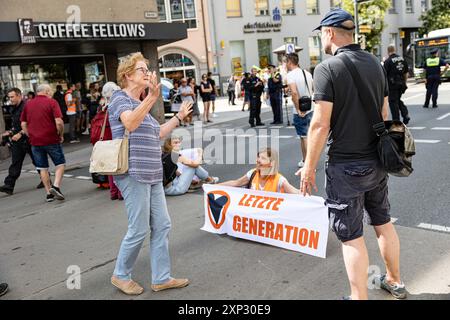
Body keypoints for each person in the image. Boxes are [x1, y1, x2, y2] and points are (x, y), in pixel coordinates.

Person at [300, 8, 407, 300]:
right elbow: (384, 113)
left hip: (346, 166)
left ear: (330, 33)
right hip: (377, 161)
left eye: (321, 33)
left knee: (351, 236)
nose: (322, 38)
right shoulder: (375, 63)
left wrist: (308, 167)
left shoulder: (326, 69)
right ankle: (395, 281)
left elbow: (320, 124)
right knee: (383, 222)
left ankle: (359, 297)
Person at [108, 52, 192, 296]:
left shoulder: (142, 101)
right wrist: (152, 98)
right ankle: (120, 275)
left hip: (153, 173)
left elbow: (157, 133)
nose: (148, 73)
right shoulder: (119, 98)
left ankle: (161, 277)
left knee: (163, 224)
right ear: (128, 75)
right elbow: (130, 124)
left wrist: (177, 117)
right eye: (142, 70)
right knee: (138, 228)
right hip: (132, 172)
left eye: (147, 70)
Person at [21, 84, 66, 203]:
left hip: (35, 141)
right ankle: (55, 186)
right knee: (60, 164)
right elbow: (59, 122)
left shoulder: (28, 104)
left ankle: (48, 194)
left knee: (42, 168)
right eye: (50, 90)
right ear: (46, 91)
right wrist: (60, 134)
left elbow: (23, 124)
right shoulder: (52, 102)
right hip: (51, 139)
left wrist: (30, 135)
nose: (51, 92)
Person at [0, 88, 42, 195]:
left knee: (37, 161)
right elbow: (16, 125)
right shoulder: (13, 108)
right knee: (16, 162)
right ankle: (9, 185)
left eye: (12, 97)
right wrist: (9, 133)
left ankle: (45, 180)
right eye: (9, 97)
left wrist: (20, 133)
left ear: (19, 95)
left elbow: (31, 123)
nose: (10, 99)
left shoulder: (26, 107)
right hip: (18, 141)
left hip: (29, 139)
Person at [90, 82, 123, 200]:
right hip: (114, 138)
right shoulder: (115, 105)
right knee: (118, 167)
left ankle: (113, 192)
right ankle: (120, 192)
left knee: (110, 167)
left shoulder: (101, 107)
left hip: (104, 140)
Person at [220, 148, 299, 194]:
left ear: (271, 163)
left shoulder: (280, 180)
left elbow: (295, 193)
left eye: (263, 158)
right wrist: (211, 187)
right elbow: (235, 183)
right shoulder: (252, 174)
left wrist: (310, 198)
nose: (258, 160)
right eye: (258, 157)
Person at [286, 53, 314, 168]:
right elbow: (313, 89)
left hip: (300, 110)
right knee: (308, 136)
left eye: (285, 62)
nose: (285, 65)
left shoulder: (291, 75)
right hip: (310, 108)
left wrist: (298, 109)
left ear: (289, 62)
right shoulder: (306, 73)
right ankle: (305, 160)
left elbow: (294, 92)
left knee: (304, 137)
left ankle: (308, 163)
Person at [383, 45, 410, 124]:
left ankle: (396, 121)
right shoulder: (402, 59)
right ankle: (405, 114)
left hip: (392, 85)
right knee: (397, 100)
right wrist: (404, 82)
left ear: (388, 51)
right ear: (395, 50)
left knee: (392, 102)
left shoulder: (388, 61)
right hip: (401, 84)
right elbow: (406, 73)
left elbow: (384, 75)